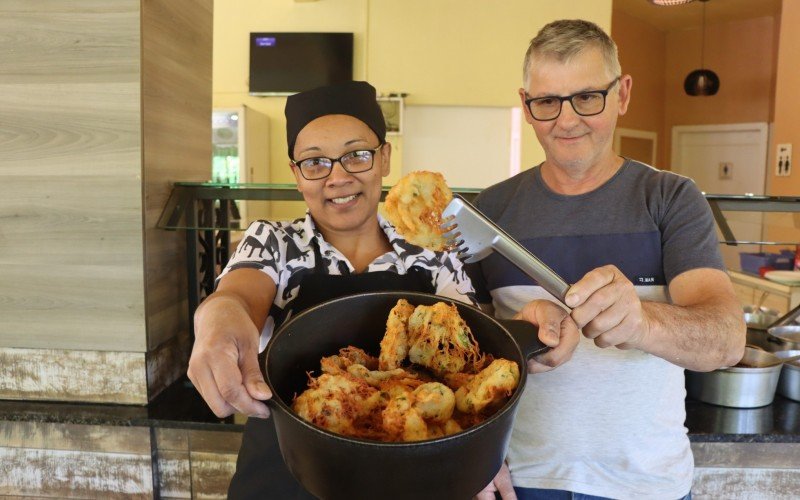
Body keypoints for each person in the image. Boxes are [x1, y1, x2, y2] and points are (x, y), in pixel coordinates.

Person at [186, 80, 578, 499]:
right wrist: (216, 324)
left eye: (357, 155)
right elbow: (236, 299)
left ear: (384, 158)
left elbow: (470, 354)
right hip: (290, 473)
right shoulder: (274, 241)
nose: (337, 177)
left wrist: (478, 450)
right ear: (296, 175)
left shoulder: (434, 252)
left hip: (415, 476)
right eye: (315, 162)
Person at [471, 19, 746, 500]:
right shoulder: (488, 212)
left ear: (622, 94)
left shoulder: (671, 199)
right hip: (521, 480)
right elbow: (459, 353)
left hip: (645, 485)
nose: (567, 119)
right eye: (548, 102)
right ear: (527, 107)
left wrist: (642, 322)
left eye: (587, 97)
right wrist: (517, 332)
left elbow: (725, 341)